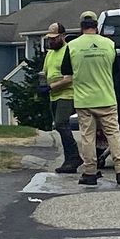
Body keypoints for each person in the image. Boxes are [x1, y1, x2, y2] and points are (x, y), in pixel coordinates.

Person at [68, 10, 120, 186]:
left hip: (84, 100)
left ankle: (90, 173)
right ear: (96, 26)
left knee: (88, 137)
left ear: (81, 26)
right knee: (113, 134)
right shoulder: (109, 44)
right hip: (106, 98)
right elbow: (116, 71)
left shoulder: (72, 46)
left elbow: (67, 71)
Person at [40, 21, 78, 173]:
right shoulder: (50, 54)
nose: (51, 41)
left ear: (62, 36)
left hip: (67, 94)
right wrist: (42, 86)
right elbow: (44, 73)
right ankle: (69, 159)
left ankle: (73, 157)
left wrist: (51, 86)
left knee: (61, 124)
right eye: (50, 38)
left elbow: (70, 78)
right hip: (53, 96)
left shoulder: (69, 50)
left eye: (55, 38)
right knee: (60, 126)